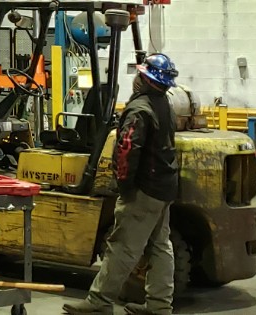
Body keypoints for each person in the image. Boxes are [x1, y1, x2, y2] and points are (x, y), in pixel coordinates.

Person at [63, 54, 182, 315]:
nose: (136, 79)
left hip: (144, 190)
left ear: (146, 79)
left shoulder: (139, 109)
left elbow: (127, 151)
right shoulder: (164, 104)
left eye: (140, 75)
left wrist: (125, 187)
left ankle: (99, 302)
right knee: (160, 245)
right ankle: (160, 306)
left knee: (122, 247)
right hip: (164, 188)